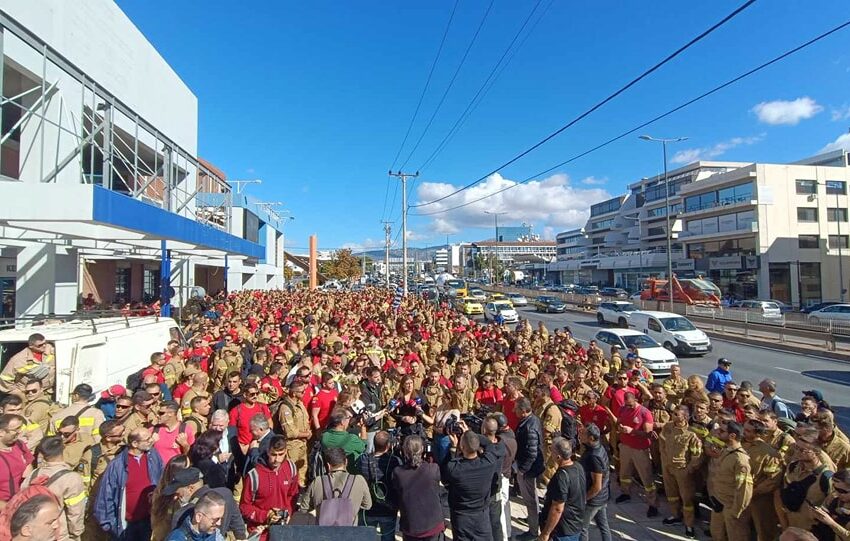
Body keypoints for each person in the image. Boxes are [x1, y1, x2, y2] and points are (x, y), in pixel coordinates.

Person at [93, 427, 164, 540]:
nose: (152, 440)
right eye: (147, 439)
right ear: (135, 443)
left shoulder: (153, 455)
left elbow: (162, 478)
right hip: (127, 524)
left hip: (149, 519)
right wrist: (108, 525)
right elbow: (106, 495)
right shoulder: (117, 465)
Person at [440, 421, 506, 541]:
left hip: (461, 516)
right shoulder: (489, 462)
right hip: (481, 515)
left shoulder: (455, 469)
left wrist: (454, 448)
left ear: (462, 447)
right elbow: (489, 445)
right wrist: (470, 435)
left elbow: (445, 477)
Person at [22, 436, 86, 541]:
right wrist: (76, 534)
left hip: (33, 532)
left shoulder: (33, 474)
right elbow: (75, 512)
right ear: (63, 449)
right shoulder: (72, 478)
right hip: (58, 534)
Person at [240, 435, 299, 540]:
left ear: (286, 452)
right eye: (273, 454)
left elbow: (292, 495)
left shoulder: (291, 469)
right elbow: (244, 507)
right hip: (260, 532)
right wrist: (266, 515)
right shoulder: (254, 476)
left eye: (281, 454)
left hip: (283, 530)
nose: (277, 459)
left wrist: (288, 513)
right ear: (267, 451)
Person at [659, 405, 701, 539]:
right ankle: (675, 515)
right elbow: (662, 442)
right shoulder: (668, 427)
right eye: (674, 413)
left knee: (686, 497)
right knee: (671, 493)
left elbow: (696, 455)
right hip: (668, 467)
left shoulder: (691, 434)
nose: (674, 416)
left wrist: (689, 469)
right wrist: (664, 460)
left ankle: (689, 523)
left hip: (682, 470)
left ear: (685, 417)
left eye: (677, 414)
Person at [614, 391, 658, 517]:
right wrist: (620, 428)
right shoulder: (623, 409)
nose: (628, 407)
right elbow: (619, 422)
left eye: (630, 405)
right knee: (624, 473)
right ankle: (625, 492)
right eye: (626, 404)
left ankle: (652, 503)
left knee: (646, 477)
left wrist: (632, 431)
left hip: (640, 449)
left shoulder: (645, 413)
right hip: (625, 446)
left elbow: (648, 434)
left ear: (635, 400)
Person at [392, 435, 444, 541]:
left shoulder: (398, 472)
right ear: (423, 450)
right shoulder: (433, 469)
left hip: (411, 526)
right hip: (432, 525)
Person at [707, 420, 752, 541]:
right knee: (717, 534)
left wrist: (735, 512)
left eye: (722, 431)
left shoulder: (740, 460)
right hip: (719, 503)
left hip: (731, 508)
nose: (717, 433)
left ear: (732, 436)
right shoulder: (726, 451)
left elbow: (744, 489)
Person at [305, 446, 371, 526]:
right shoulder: (359, 480)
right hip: (350, 532)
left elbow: (304, 507)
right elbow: (367, 505)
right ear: (346, 462)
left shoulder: (317, 481)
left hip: (323, 533)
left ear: (328, 465)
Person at [356, 430, 401, 541]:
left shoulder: (363, 460)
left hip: (367, 508)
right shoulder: (394, 461)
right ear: (388, 445)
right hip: (388, 508)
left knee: (364, 537)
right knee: (388, 537)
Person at [538, 437, 586, 541]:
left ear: (558, 456)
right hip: (576, 524)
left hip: (563, 531)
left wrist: (546, 533)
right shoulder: (578, 467)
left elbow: (557, 508)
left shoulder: (561, 477)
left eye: (552, 451)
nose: (551, 453)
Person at [514, 396, 544, 541]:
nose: (514, 411)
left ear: (524, 410)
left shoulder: (530, 426)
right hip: (529, 467)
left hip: (529, 470)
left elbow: (532, 452)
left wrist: (522, 470)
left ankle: (533, 531)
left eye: (516, 409)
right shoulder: (530, 420)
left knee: (531, 501)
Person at [578, 423, 611, 541]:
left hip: (594, 500)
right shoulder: (598, 448)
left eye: (583, 434)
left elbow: (597, 486)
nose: (580, 435)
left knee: (581, 528)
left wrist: (584, 499)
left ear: (591, 438)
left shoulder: (594, 456)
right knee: (603, 526)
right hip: (602, 497)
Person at [486, 413, 516, 541]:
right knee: (506, 504)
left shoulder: (501, 442)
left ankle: (503, 537)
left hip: (501, 476)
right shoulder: (511, 436)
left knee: (500, 511)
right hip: (506, 474)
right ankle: (508, 532)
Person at [0, 413, 34, 506]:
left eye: (20, 427)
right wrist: (8, 508)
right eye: (16, 429)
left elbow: (28, 464)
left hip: (20, 501)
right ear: (1, 432)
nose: (20, 432)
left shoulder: (19, 445)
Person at [320, 408, 367, 472]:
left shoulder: (324, 436)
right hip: (349, 472)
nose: (349, 420)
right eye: (348, 418)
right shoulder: (351, 439)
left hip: (330, 471)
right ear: (342, 422)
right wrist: (363, 427)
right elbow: (364, 446)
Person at [153, 400, 195, 465]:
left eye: (161, 413)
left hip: (177, 471)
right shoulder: (154, 431)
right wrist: (150, 442)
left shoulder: (186, 430)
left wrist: (185, 445)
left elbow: (191, 456)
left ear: (171, 414)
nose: (157, 415)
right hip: (158, 471)